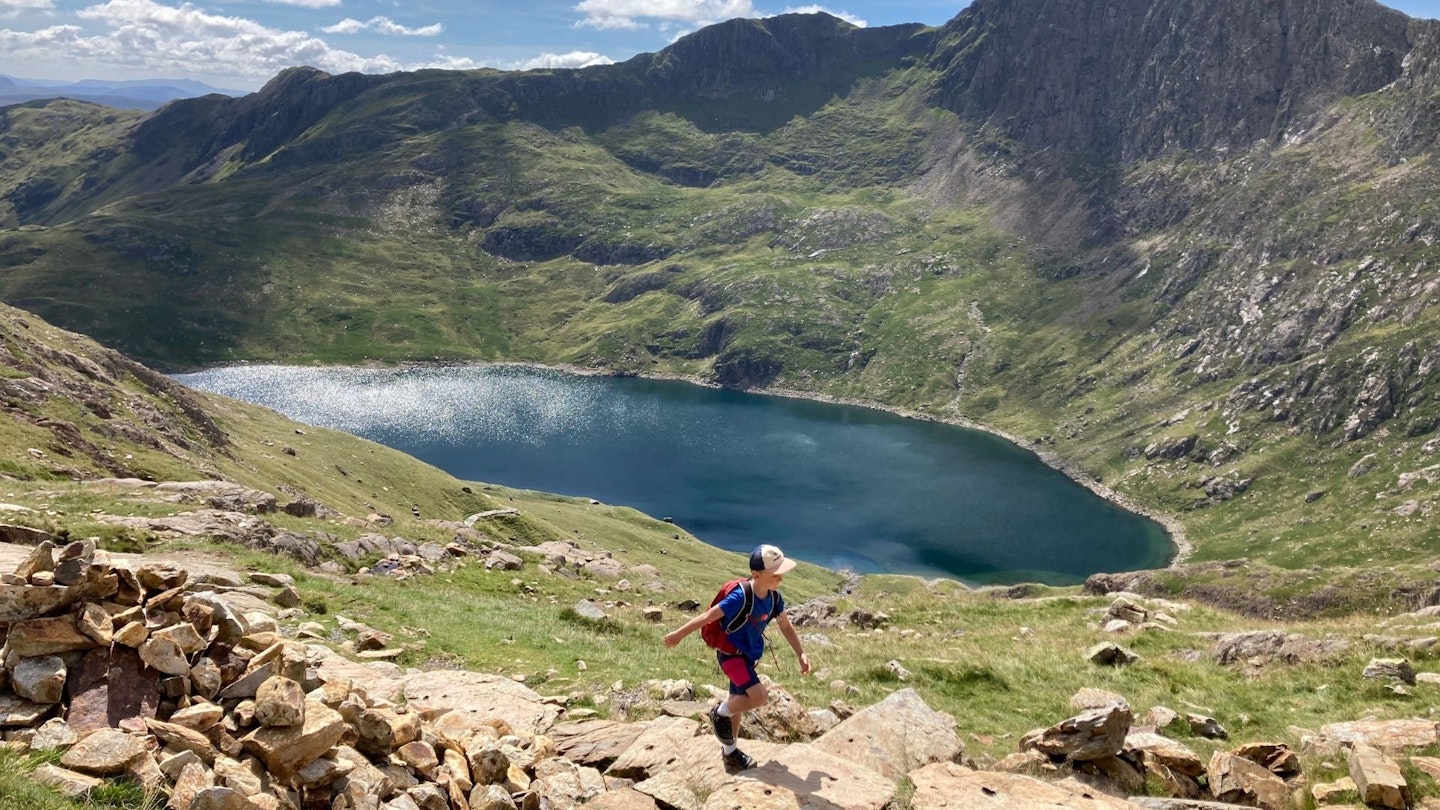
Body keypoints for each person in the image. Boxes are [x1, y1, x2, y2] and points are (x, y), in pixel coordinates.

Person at [663, 543, 812, 772]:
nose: (781, 579)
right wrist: (678, 635)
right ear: (756, 574)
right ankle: (719, 712)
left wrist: (800, 652)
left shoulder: (774, 598)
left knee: (738, 703)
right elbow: (708, 616)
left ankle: (730, 754)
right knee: (759, 697)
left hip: (748, 657)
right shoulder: (741, 597)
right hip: (731, 656)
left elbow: (785, 625)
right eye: (776, 574)